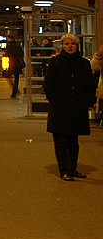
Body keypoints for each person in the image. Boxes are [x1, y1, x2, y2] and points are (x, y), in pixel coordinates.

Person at [43, 33, 96, 181]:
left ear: (77, 45)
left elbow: (90, 85)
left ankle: (73, 168)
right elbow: (48, 85)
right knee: (61, 141)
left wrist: (87, 102)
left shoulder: (84, 63)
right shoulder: (55, 63)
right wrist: (55, 102)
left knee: (74, 141)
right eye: (67, 44)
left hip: (77, 108)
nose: (70, 46)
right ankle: (64, 170)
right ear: (62, 46)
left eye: (72, 43)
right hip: (60, 109)